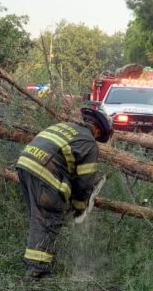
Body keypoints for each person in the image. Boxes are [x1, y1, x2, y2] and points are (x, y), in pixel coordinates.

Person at [15, 106, 112, 278]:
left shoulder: (64, 127)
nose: (97, 138)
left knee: (38, 218)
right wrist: (79, 208)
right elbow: (84, 183)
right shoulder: (89, 143)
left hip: (24, 165)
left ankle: (36, 262)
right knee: (48, 219)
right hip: (45, 172)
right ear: (98, 130)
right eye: (99, 136)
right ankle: (37, 269)